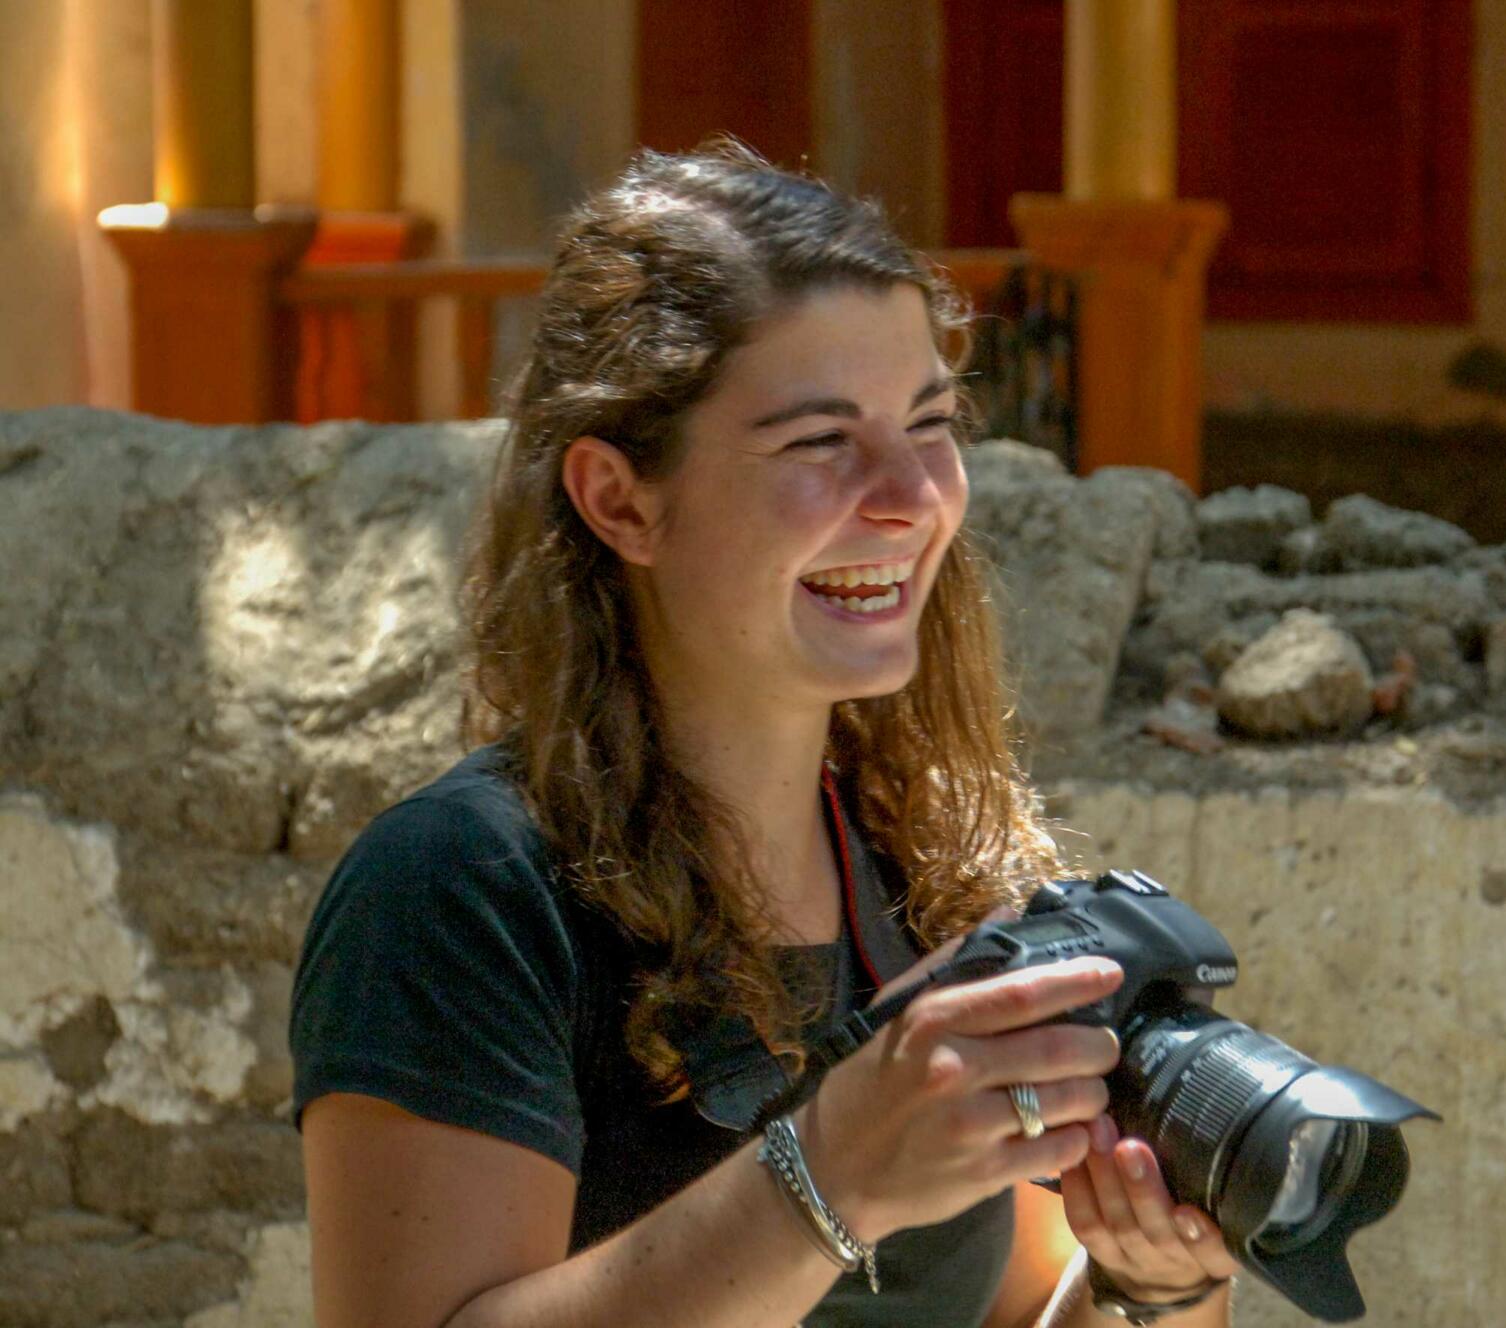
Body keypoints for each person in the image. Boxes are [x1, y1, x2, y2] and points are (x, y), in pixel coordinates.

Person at [289, 144, 1239, 1328]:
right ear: (620, 500)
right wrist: (829, 1171)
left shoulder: (924, 862)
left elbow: (1015, 1309)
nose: (908, 494)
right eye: (817, 441)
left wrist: (1151, 1285)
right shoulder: (460, 885)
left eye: (928, 421)